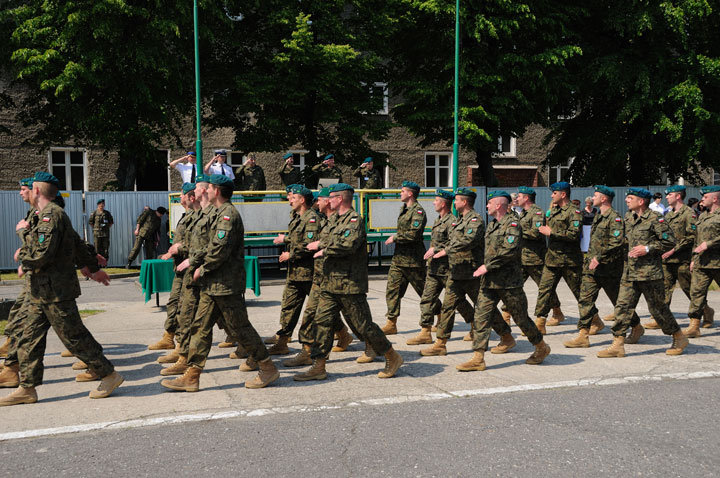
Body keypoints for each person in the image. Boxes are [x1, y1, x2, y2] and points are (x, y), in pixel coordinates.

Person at [0, 172, 122, 406]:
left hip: (56, 292)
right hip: (40, 291)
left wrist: (22, 239)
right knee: (28, 339)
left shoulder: (51, 216)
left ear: (37, 190)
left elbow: (40, 255)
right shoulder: (42, 215)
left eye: (28, 188)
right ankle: (27, 388)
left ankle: (109, 374)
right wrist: (92, 268)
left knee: (74, 337)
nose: (21, 192)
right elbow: (77, 243)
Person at [161, 174, 280, 391]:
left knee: (240, 328)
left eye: (208, 188)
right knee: (200, 327)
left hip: (226, 284)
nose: (204, 191)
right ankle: (192, 375)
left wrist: (201, 267)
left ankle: (267, 367)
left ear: (216, 191)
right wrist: (197, 263)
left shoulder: (228, 215)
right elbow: (206, 245)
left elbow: (218, 249)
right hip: (212, 283)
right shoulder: (216, 213)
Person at [294, 183, 403, 381]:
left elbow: (347, 244)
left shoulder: (354, 220)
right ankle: (319, 366)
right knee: (322, 322)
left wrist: (323, 247)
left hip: (349, 284)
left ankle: (392, 356)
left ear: (340, 199)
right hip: (329, 283)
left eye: (331, 197)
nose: (328, 200)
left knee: (364, 326)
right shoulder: (333, 219)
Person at [457, 190, 550, 372]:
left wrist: (487, 266)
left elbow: (509, 250)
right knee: (482, 316)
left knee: (521, 319)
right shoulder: (492, 225)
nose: (487, 206)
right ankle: (478, 357)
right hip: (489, 282)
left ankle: (541, 346)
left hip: (509, 283)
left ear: (498, 205)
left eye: (490, 203)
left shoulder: (513, 224)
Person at [597, 188, 688, 358]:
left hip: (649, 273)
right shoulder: (628, 218)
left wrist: (647, 248)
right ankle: (617, 343)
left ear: (641, 201)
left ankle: (679, 337)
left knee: (658, 309)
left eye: (630, 198)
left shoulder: (656, 219)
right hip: (630, 271)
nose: (626, 200)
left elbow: (669, 242)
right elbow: (625, 240)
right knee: (622, 307)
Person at [421, 188, 511, 356]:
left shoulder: (475, 220)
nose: (454, 203)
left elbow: (467, 241)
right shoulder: (460, 221)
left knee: (485, 308)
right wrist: (443, 249)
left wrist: (446, 250)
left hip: (471, 273)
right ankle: (441, 344)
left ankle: (506, 336)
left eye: (456, 200)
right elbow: (451, 241)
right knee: (447, 308)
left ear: (464, 202)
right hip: (455, 272)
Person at [281, 187, 353, 367]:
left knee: (356, 318)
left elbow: (324, 245)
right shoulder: (329, 220)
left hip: (330, 275)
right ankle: (310, 352)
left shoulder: (333, 220)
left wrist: (293, 250)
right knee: (315, 314)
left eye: (321, 200)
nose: (318, 203)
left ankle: (373, 344)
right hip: (319, 275)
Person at [564, 186, 643, 348]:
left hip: (609, 269)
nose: (593, 198)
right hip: (592, 269)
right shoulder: (598, 215)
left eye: (595, 195)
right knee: (585, 300)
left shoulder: (614, 218)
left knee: (618, 302)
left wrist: (599, 258)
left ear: (604, 199)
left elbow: (617, 242)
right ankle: (583, 335)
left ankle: (636, 326)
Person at [407, 189, 475, 346]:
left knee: (457, 302)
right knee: (427, 299)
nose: (433, 202)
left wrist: (436, 249)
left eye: (436, 200)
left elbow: (455, 243)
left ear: (444, 203)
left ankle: (474, 324)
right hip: (434, 269)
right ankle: (425, 332)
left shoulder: (452, 221)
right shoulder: (439, 219)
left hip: (448, 269)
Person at [647, 185, 713, 334]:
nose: (667, 197)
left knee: (690, 290)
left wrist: (673, 250)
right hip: (666, 260)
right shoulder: (668, 215)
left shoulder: (689, 213)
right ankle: (662, 319)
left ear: (678, 196)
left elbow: (691, 237)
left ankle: (707, 311)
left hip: (682, 259)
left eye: (669, 195)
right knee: (663, 291)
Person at [382, 180, 439, 335]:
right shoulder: (404, 209)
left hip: (413, 261)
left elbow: (414, 234)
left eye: (402, 191)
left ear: (410, 193)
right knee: (392, 291)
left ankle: (441, 316)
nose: (400, 193)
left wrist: (395, 237)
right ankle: (391, 322)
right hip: (399, 259)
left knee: (424, 292)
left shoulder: (418, 212)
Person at [147, 183, 197, 356]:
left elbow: (198, 243)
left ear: (190, 196)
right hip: (180, 266)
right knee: (174, 303)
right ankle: (170, 337)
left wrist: (179, 249)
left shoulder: (197, 216)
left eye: (182, 194)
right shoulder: (185, 216)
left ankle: (237, 337)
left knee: (193, 309)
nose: (180, 197)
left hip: (191, 267)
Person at [502, 186, 562, 324]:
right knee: (512, 287)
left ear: (527, 198)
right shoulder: (522, 213)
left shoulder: (537, 213)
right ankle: (506, 314)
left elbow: (536, 233)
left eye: (520, 196)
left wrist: (517, 231)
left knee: (545, 288)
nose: (517, 198)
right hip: (521, 258)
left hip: (535, 259)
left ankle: (557, 311)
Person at [534, 182, 582, 333]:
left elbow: (574, 234)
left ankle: (594, 320)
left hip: (569, 260)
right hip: (552, 259)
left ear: (563, 194)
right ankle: (540, 322)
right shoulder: (554, 211)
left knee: (580, 293)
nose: (551, 195)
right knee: (544, 290)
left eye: (554, 193)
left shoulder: (574, 212)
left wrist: (551, 232)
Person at [686, 186, 720, 335]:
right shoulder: (702, 216)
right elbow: (696, 239)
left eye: (705, 197)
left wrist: (709, 244)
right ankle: (694, 326)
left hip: (718, 262)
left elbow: (707, 242)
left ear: (715, 198)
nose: (702, 200)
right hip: (702, 262)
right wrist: (694, 258)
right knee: (696, 293)